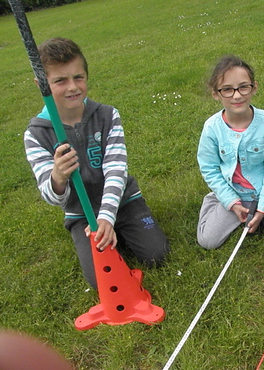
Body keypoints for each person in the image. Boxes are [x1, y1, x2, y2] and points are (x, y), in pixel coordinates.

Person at [24, 37, 170, 289]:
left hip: (124, 202)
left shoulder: (107, 115)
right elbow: (53, 198)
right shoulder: (36, 134)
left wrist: (106, 217)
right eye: (60, 80)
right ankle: (105, 238)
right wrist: (58, 177)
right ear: (42, 85)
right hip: (82, 215)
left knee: (157, 255)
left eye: (78, 77)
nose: (72, 87)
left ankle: (121, 229)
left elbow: (116, 169)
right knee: (100, 282)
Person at [197, 55, 264, 249]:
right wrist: (231, 202)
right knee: (207, 241)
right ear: (216, 94)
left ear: (254, 87)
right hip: (233, 192)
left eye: (243, 87)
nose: (237, 95)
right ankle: (215, 202)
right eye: (227, 89)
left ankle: (258, 211)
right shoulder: (211, 128)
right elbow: (209, 169)